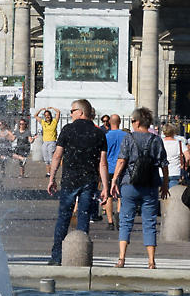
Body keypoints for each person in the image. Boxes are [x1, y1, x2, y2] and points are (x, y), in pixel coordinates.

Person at [46, 99, 108, 264]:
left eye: (72, 111)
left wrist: (52, 178)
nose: (71, 113)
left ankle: (57, 256)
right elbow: (103, 163)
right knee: (83, 217)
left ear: (80, 112)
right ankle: (81, 255)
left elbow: (57, 155)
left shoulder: (68, 129)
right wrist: (105, 187)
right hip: (89, 180)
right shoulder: (99, 133)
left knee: (64, 217)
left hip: (70, 179)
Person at [111, 108, 169, 269]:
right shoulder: (156, 140)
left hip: (129, 183)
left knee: (125, 220)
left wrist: (114, 180)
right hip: (150, 184)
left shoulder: (128, 138)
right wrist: (165, 184)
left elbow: (122, 160)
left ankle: (121, 258)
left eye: (132, 121)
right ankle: (151, 261)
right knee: (149, 222)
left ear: (137, 122)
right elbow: (164, 164)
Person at [102, 114, 128, 228]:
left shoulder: (106, 136)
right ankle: (119, 214)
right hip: (122, 168)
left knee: (108, 195)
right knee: (121, 195)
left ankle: (110, 221)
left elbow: (103, 154)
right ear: (120, 122)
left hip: (109, 168)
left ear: (109, 123)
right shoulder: (126, 136)